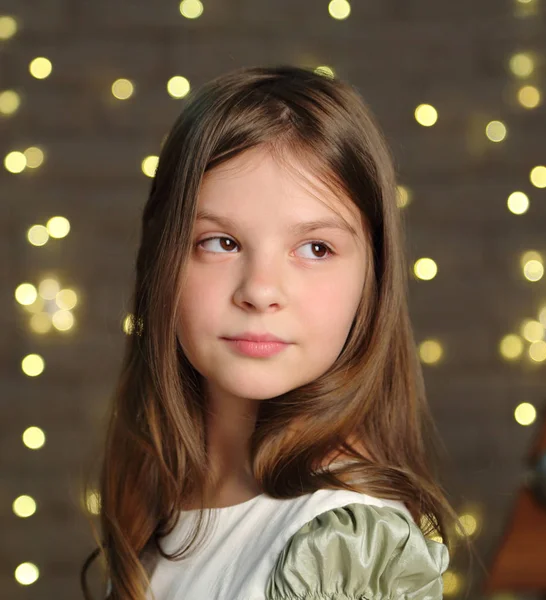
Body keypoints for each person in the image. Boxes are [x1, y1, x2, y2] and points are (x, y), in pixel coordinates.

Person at [80, 64, 460, 600]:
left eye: (315, 249)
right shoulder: (165, 506)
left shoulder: (343, 549)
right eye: (221, 242)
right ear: (162, 261)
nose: (260, 290)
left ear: (370, 282)